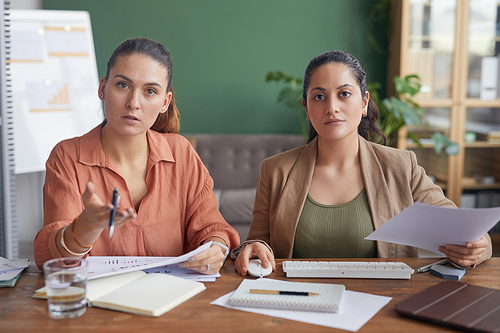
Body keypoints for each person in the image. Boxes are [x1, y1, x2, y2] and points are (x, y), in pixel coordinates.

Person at [232, 50, 492, 276]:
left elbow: (469, 232)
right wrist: (255, 249)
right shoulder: (275, 170)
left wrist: (477, 249)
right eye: (319, 97)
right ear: (306, 109)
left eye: (344, 93)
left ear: (364, 102)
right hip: (298, 299)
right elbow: (257, 242)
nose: (332, 107)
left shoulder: (401, 166)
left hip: (382, 302)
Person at [34, 38, 239, 273]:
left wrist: (216, 248)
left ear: (165, 102)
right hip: (100, 304)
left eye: (150, 91)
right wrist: (85, 227)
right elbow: (52, 260)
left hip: (175, 300)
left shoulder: (181, 152)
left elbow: (212, 227)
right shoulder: (67, 156)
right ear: (103, 88)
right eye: (123, 85)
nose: (133, 103)